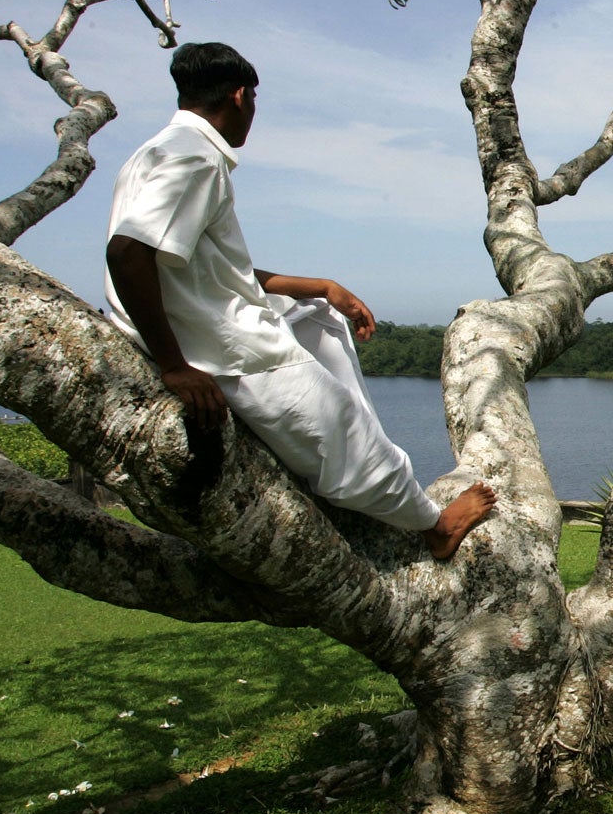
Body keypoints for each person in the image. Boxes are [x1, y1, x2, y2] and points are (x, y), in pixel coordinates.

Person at [104, 42, 493, 560]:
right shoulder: (196, 158)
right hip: (221, 347)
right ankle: (435, 526)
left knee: (320, 316)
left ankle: (350, 461)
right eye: (254, 101)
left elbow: (209, 266)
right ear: (240, 96)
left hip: (199, 323)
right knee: (341, 427)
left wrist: (322, 287)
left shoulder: (155, 152)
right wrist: (175, 366)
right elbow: (127, 252)